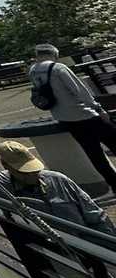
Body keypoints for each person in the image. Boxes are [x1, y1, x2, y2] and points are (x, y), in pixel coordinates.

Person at [0, 140, 116, 235]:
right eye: (24, 172)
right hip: (44, 247)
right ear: (6, 166)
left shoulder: (58, 180)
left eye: (34, 170)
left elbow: (95, 214)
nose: (32, 175)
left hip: (82, 240)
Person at [31, 44, 116, 196]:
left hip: (65, 118)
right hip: (85, 114)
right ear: (54, 54)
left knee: (95, 154)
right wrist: (98, 109)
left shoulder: (33, 71)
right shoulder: (58, 68)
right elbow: (80, 91)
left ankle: (114, 184)